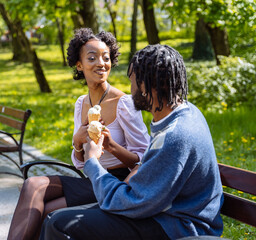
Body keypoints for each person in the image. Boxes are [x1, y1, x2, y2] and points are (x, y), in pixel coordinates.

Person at [39, 44, 224, 240]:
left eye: (133, 81)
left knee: (60, 224)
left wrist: (92, 161)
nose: (130, 89)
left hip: (178, 225)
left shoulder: (176, 135)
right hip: (165, 212)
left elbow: (132, 202)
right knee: (56, 217)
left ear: (145, 85)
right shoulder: (184, 112)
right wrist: (111, 148)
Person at [7, 28, 150, 240]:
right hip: (90, 177)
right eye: (92, 58)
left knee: (47, 211)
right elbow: (80, 163)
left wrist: (111, 146)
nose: (101, 63)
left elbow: (144, 159)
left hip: (116, 182)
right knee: (33, 185)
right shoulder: (81, 103)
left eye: (106, 57)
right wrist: (77, 141)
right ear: (79, 65)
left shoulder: (124, 103)